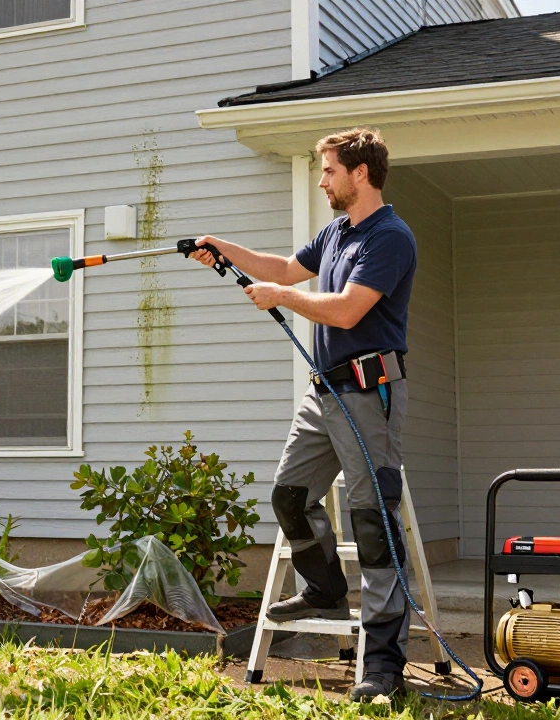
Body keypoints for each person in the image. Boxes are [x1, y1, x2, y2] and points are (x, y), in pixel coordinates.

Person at [191, 127, 417, 700]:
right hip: (325, 396)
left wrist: (279, 297)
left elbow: (344, 312)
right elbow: (283, 267)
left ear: (360, 174)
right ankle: (323, 589)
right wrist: (224, 248)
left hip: (370, 395)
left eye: (329, 171)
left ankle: (383, 665)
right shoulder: (337, 231)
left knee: (372, 520)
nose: (322, 180)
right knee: (290, 495)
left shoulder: (389, 238)